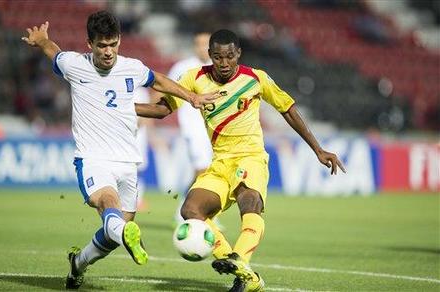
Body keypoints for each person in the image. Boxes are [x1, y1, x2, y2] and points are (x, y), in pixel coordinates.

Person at [135, 29, 346, 292]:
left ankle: (239, 259)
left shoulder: (255, 78)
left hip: (251, 158)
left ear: (238, 54)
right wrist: (122, 107)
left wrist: (318, 149)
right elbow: (162, 110)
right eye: (218, 57)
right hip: (220, 163)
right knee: (191, 210)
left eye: (229, 57)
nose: (224, 63)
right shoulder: (194, 78)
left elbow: (287, 109)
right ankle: (242, 271)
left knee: (250, 201)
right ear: (209, 56)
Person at [21, 11, 218, 290]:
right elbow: (55, 52)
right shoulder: (75, 65)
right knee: (107, 203)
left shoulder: (132, 67)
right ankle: (124, 232)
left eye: (113, 44)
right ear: (89, 43)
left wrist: (192, 96)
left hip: (128, 161)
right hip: (92, 158)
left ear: (120, 41)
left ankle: (79, 262)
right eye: (102, 45)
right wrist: (42, 41)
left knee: (114, 233)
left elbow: (158, 80)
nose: (108, 52)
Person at [167, 32, 214, 224]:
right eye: (199, 44)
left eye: (206, 44)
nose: (202, 48)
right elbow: (166, 88)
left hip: (213, 128)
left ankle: (202, 212)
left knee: (211, 172)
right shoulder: (183, 67)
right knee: (202, 170)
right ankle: (185, 210)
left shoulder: (219, 67)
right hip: (193, 127)